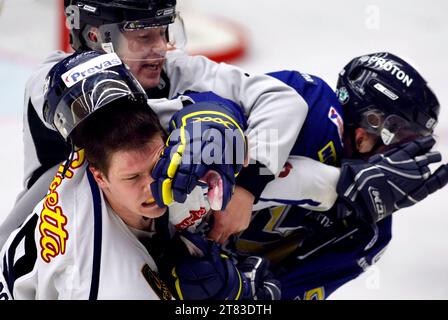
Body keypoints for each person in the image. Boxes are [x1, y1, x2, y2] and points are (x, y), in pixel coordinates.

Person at [0, 0, 313, 247]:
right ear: (96, 37)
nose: (161, 47)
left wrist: (250, 184)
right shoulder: (52, 79)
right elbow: (115, 123)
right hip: (61, 244)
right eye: (144, 36)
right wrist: (212, 113)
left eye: (164, 32)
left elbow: (282, 99)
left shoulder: (172, 68)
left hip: (148, 234)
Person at [0, 51, 278, 300]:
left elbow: (257, 113)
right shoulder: (105, 277)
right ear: (98, 177)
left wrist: (217, 120)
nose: (152, 187)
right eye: (133, 178)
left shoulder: (114, 142)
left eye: (157, 164)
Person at [223, 52, 448, 299]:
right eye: (402, 141)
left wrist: (240, 293)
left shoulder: (371, 232)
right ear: (369, 127)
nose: (404, 160)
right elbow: (207, 151)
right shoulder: (309, 106)